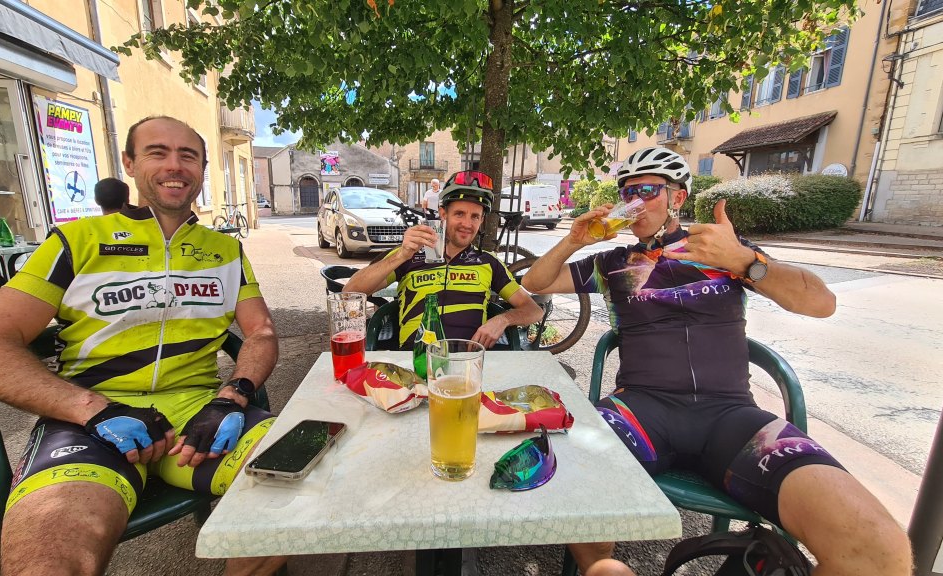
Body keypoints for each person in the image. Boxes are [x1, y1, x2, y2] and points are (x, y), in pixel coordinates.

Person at [522, 147, 912, 576]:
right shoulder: (613, 263)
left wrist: (744, 261)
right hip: (639, 411)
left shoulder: (721, 250)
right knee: (570, 474)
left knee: (879, 549)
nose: (634, 202)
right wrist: (574, 241)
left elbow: (821, 303)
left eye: (648, 190)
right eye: (627, 193)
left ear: (678, 198)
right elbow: (536, 282)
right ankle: (599, 565)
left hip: (731, 417)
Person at [0, 116, 287, 576]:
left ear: (202, 170)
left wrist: (233, 395)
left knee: (312, 479)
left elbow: (261, 332)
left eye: (188, 156)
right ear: (129, 163)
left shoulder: (225, 251)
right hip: (88, 418)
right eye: (157, 152)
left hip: (198, 413)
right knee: (48, 561)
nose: (175, 166)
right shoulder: (76, 240)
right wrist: (92, 408)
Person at [344, 170, 542, 350]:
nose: (467, 224)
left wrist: (503, 320)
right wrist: (401, 255)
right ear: (443, 214)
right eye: (459, 214)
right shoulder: (410, 253)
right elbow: (350, 292)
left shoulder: (488, 261)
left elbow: (534, 310)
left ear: (482, 220)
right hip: (416, 360)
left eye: (475, 216)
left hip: (468, 363)